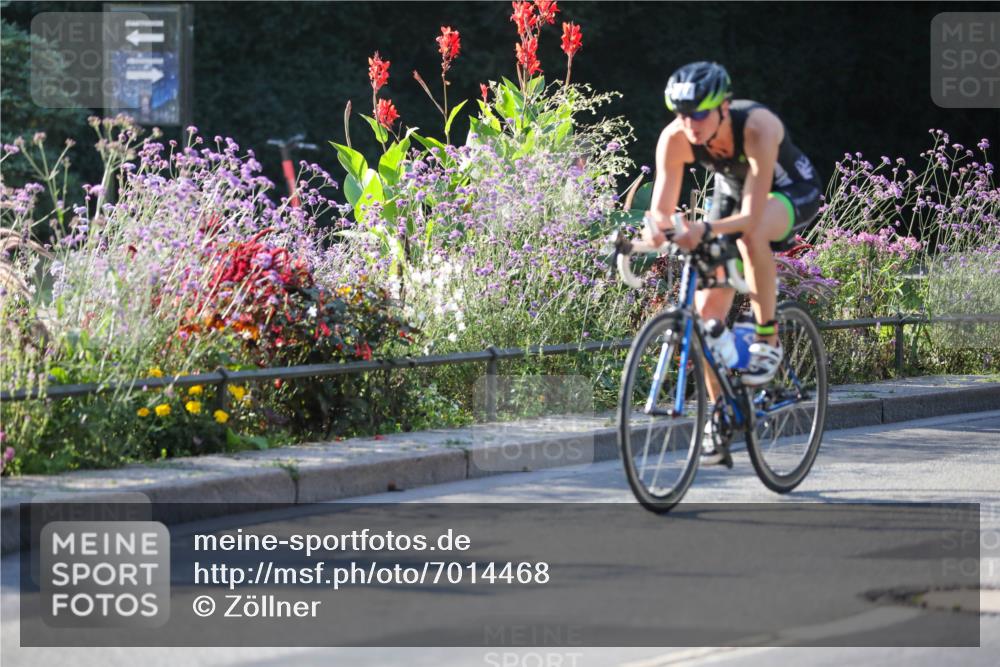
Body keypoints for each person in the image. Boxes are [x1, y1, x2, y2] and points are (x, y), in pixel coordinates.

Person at [641, 61, 823, 464]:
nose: (690, 124)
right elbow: (661, 211)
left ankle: (767, 337)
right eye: (682, 115)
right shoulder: (675, 138)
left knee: (750, 235)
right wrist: (652, 234)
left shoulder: (758, 126)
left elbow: (751, 216)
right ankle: (720, 414)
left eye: (700, 114)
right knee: (707, 318)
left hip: (788, 190)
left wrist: (701, 229)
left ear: (723, 106)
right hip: (732, 192)